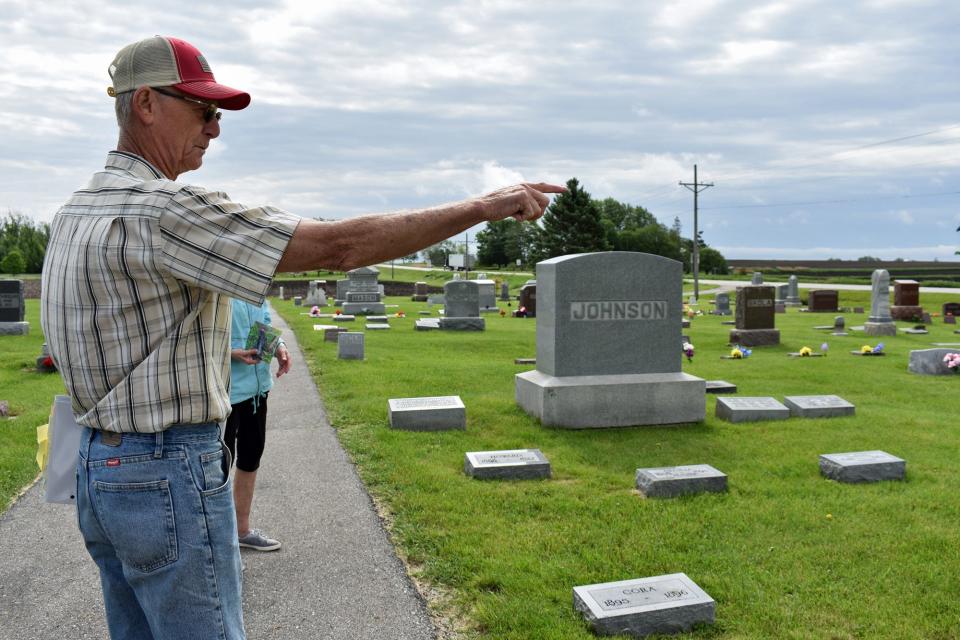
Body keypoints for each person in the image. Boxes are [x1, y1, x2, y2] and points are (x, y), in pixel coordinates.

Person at [39, 34, 562, 640]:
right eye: (204, 110)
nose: (214, 128)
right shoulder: (162, 211)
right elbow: (340, 246)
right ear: (148, 103)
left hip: (97, 467)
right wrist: (483, 206)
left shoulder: (77, 209)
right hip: (164, 466)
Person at [226, 298, 289, 552]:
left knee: (251, 457)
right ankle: (221, 545)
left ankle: (242, 531)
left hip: (257, 390)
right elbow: (195, 334)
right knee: (218, 469)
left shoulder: (254, 278)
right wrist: (231, 353)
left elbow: (263, 319)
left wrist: (279, 347)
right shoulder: (213, 279)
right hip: (225, 392)